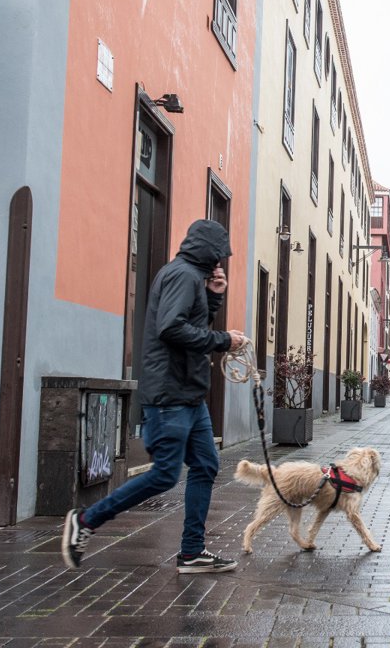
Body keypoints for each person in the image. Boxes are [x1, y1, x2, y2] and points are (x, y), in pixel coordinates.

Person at [62, 219, 245, 574]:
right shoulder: (182, 275)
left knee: (206, 465)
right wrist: (224, 341)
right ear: (209, 251)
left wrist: (213, 297)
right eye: (220, 256)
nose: (221, 262)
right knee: (164, 475)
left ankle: (191, 552)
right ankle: (86, 520)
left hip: (189, 395)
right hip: (169, 395)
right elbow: (171, 328)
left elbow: (191, 323)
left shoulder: (193, 278)